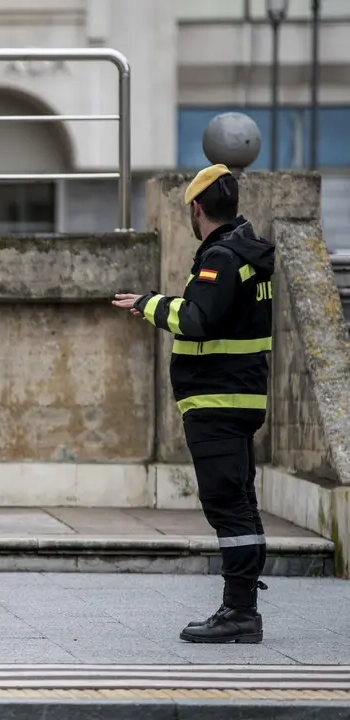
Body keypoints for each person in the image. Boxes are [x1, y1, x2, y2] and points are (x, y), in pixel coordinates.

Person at [112, 163, 275, 644]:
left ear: (197, 208)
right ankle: (243, 604)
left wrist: (150, 304)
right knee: (240, 501)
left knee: (227, 504)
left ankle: (241, 612)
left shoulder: (221, 258)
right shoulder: (248, 255)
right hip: (238, 397)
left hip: (217, 401)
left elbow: (198, 318)